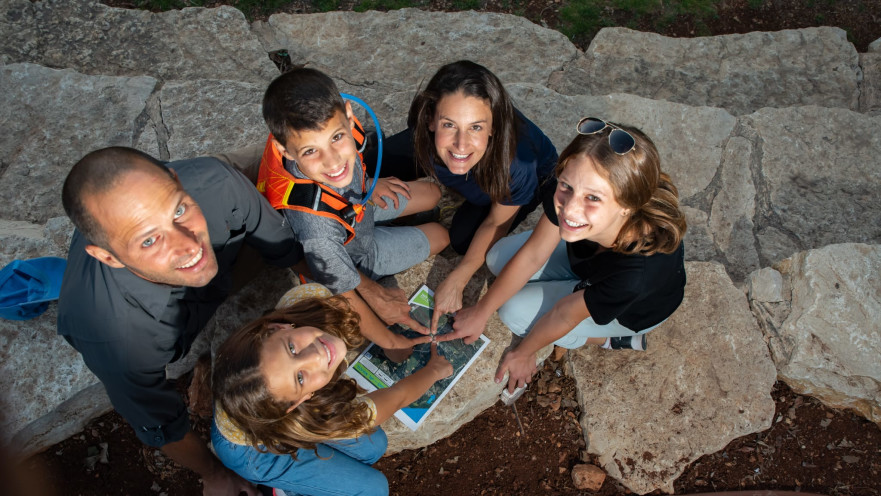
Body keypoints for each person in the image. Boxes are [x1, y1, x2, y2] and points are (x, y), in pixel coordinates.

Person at [57, 146, 304, 495]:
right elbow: (160, 425)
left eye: (178, 210)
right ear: (108, 257)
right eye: (149, 240)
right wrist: (215, 473)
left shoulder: (216, 183)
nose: (189, 245)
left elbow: (282, 242)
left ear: (177, 181)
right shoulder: (115, 339)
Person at [443, 118, 687, 392]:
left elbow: (565, 314)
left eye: (593, 198)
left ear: (627, 205)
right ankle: (570, 289)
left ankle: (607, 338)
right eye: (566, 186)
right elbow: (533, 253)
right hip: (588, 265)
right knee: (497, 257)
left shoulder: (637, 275)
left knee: (513, 312)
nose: (569, 209)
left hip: (631, 310)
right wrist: (481, 311)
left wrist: (524, 352)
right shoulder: (573, 186)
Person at [259, 68, 450, 358]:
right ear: (284, 150)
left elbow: (350, 162)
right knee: (441, 236)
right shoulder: (316, 232)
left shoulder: (340, 139)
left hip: (359, 207)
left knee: (433, 194)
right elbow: (345, 293)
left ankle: (396, 222)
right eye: (310, 151)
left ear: (349, 117)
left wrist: (369, 185)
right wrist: (392, 342)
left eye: (337, 137)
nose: (333, 161)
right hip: (355, 255)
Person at [211, 284, 453, 496]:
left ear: (277, 327)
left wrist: (389, 341)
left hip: (269, 413)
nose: (315, 356)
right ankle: (288, 489)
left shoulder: (306, 298)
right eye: (299, 378)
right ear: (301, 401)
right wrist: (433, 371)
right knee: (373, 489)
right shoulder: (319, 416)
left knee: (373, 446)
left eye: (292, 349)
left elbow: (345, 302)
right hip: (252, 451)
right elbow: (397, 396)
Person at [377, 60, 558, 333]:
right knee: (375, 163)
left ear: (494, 126)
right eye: (449, 124)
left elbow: (496, 223)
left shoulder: (517, 165)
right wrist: (372, 181)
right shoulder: (422, 131)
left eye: (476, 127)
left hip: (503, 183)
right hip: (451, 159)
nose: (461, 144)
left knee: (464, 241)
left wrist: (459, 277)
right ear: (430, 120)